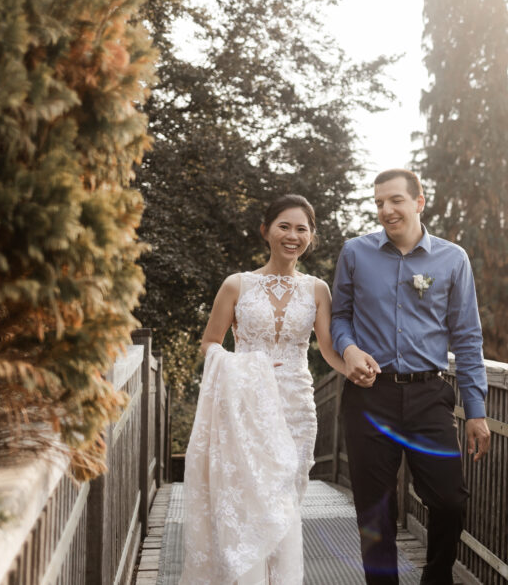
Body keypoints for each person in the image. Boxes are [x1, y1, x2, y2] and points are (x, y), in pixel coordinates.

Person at [331, 169, 491, 585]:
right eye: (379, 202)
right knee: (376, 511)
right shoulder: (355, 252)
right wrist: (348, 349)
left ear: (419, 202)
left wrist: (475, 410)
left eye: (395, 200)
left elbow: (468, 338)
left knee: (450, 502)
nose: (386, 210)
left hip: (429, 396)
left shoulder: (453, 259)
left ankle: (436, 578)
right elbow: (339, 317)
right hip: (369, 398)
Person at [181, 194, 349, 584]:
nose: (292, 235)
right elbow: (210, 343)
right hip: (246, 406)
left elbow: (326, 349)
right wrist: (242, 366)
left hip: (295, 408)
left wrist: (354, 370)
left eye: (301, 229)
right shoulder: (237, 284)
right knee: (247, 501)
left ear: (311, 237)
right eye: (284, 226)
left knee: (286, 502)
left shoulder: (318, 290)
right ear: (266, 231)